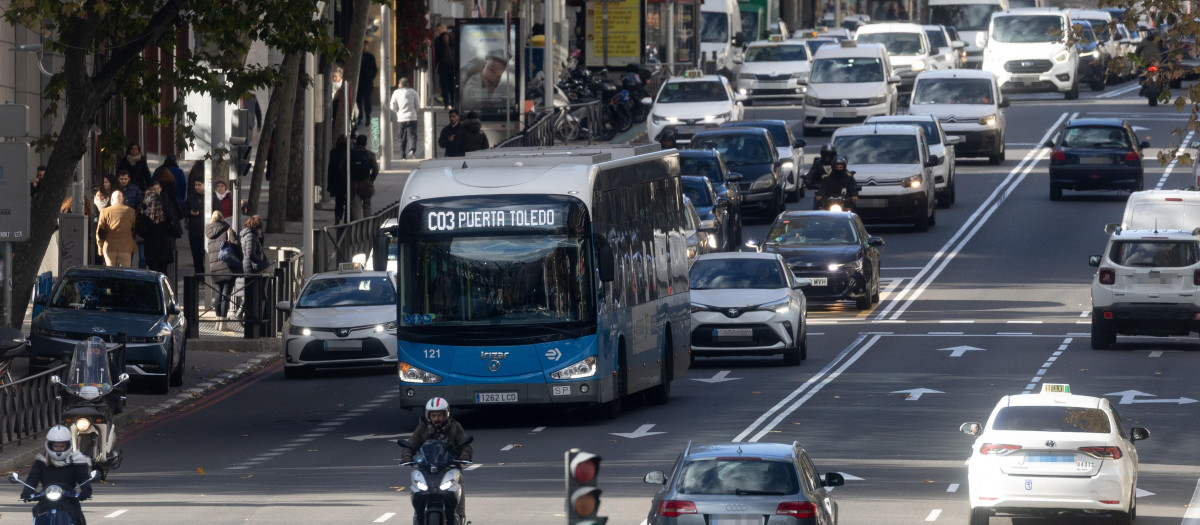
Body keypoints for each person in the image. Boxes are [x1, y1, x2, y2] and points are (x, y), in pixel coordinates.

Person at [399, 397, 473, 523]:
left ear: (446, 414)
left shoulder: (455, 426)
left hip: (449, 468)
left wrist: (464, 455)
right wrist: (407, 455)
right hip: (427, 469)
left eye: (439, 415)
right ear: (428, 416)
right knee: (417, 490)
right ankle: (418, 515)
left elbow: (465, 445)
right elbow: (412, 443)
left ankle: (460, 517)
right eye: (433, 415)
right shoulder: (422, 428)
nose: (436, 419)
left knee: (459, 482)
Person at [20, 425, 93, 525]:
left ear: (68, 445)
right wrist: (27, 491)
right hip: (45, 501)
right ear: (49, 445)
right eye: (56, 446)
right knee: (37, 513)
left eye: (62, 446)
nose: (59, 449)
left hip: (69, 501)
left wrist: (86, 490)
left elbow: (83, 478)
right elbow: (32, 479)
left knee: (79, 519)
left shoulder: (77, 461)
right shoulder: (41, 461)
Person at [205, 210, 238, 329]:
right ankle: (223, 323)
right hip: (227, 266)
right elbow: (236, 245)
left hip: (214, 267)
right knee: (226, 295)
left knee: (217, 294)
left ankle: (217, 321)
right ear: (223, 218)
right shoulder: (227, 229)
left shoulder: (209, 232)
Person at [138, 183, 179, 274]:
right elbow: (174, 225)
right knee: (163, 271)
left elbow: (140, 229)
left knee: (152, 271)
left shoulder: (145, 211)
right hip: (164, 243)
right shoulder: (165, 209)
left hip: (150, 244)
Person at [235, 215, 268, 324]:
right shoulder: (250, 236)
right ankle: (241, 314)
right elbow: (250, 253)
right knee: (251, 292)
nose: (260, 229)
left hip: (249, 266)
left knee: (252, 292)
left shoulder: (251, 235)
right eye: (259, 227)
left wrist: (260, 237)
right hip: (250, 268)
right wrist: (259, 262)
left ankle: (245, 316)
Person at [96, 190, 137, 267]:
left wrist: (100, 248)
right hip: (125, 247)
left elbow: (100, 232)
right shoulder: (131, 211)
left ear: (111, 199)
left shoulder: (105, 211)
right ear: (122, 200)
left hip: (109, 247)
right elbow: (133, 228)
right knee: (124, 274)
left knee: (111, 273)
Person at [349, 134, 379, 220]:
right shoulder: (370, 154)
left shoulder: (350, 154)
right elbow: (375, 170)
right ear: (365, 143)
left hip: (354, 185)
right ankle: (367, 228)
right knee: (367, 206)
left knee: (355, 210)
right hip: (366, 184)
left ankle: (356, 229)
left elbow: (343, 168)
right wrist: (370, 179)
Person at [389, 77, 420, 160]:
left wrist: (397, 112)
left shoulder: (396, 93)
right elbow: (418, 105)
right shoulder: (413, 92)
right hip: (412, 117)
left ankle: (403, 155)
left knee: (401, 137)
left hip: (401, 118)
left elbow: (392, 105)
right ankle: (412, 151)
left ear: (399, 85)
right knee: (412, 135)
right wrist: (414, 111)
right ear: (408, 85)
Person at [183, 177, 208, 275]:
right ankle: (200, 276)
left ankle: (208, 277)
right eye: (195, 185)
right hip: (194, 231)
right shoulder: (191, 197)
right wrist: (190, 213)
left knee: (206, 256)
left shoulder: (211, 197)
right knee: (196, 256)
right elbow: (182, 211)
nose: (197, 187)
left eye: (199, 185)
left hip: (207, 232)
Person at [327, 135, 350, 224]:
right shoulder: (348, 152)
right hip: (346, 181)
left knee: (339, 201)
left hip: (336, 181)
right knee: (348, 201)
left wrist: (329, 184)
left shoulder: (333, 152)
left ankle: (338, 217)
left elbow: (330, 169)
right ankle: (346, 218)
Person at [357, 41, 379, 128]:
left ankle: (368, 117)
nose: (365, 48)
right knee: (358, 100)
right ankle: (359, 117)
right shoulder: (357, 56)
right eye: (363, 46)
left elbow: (375, 69)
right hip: (359, 82)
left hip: (368, 82)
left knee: (367, 100)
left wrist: (371, 78)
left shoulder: (370, 57)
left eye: (366, 46)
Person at [433, 27, 457, 108]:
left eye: (447, 37)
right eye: (444, 37)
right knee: (444, 86)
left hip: (451, 68)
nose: (446, 38)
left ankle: (453, 102)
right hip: (443, 68)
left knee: (452, 86)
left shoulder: (452, 46)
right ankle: (446, 102)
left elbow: (455, 57)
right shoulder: (440, 47)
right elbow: (436, 57)